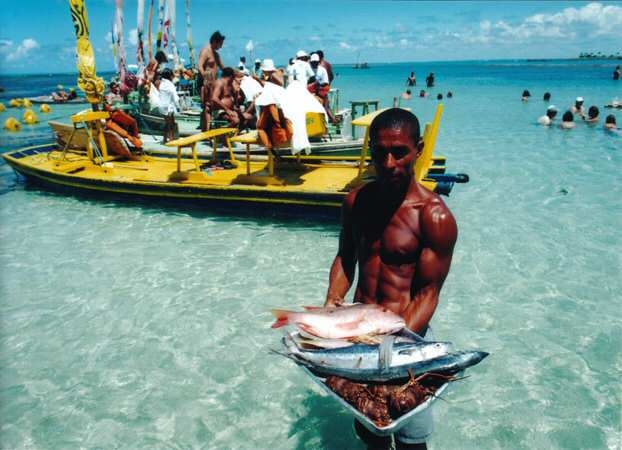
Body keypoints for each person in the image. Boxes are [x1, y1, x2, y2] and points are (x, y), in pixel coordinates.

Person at [325, 108, 457, 450]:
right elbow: (345, 258)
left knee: (411, 436)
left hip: (408, 336)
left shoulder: (434, 216)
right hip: (358, 334)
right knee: (373, 428)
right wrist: (331, 304)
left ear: (418, 148)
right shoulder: (356, 202)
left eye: (399, 152)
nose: (388, 163)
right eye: (380, 151)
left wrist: (389, 348)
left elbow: (428, 293)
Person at [198, 31, 225, 131]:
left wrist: (236, 73)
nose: (221, 47)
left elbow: (223, 68)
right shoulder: (205, 51)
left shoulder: (216, 55)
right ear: (215, 41)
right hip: (206, 83)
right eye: (220, 44)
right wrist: (205, 77)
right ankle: (208, 131)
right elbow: (200, 66)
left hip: (214, 84)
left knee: (212, 106)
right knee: (207, 107)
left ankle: (206, 129)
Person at [153, 68, 180, 143]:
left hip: (162, 106)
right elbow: (175, 96)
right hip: (168, 107)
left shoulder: (161, 83)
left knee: (167, 123)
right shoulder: (170, 85)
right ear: (170, 76)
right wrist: (178, 106)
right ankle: (171, 139)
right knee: (170, 124)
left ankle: (165, 139)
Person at [308, 53, 336, 123]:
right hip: (309, 92)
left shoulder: (322, 70)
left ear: (319, 62)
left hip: (320, 91)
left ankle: (331, 120)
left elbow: (325, 82)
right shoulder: (308, 69)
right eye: (313, 62)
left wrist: (317, 86)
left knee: (325, 106)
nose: (314, 64)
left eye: (316, 62)